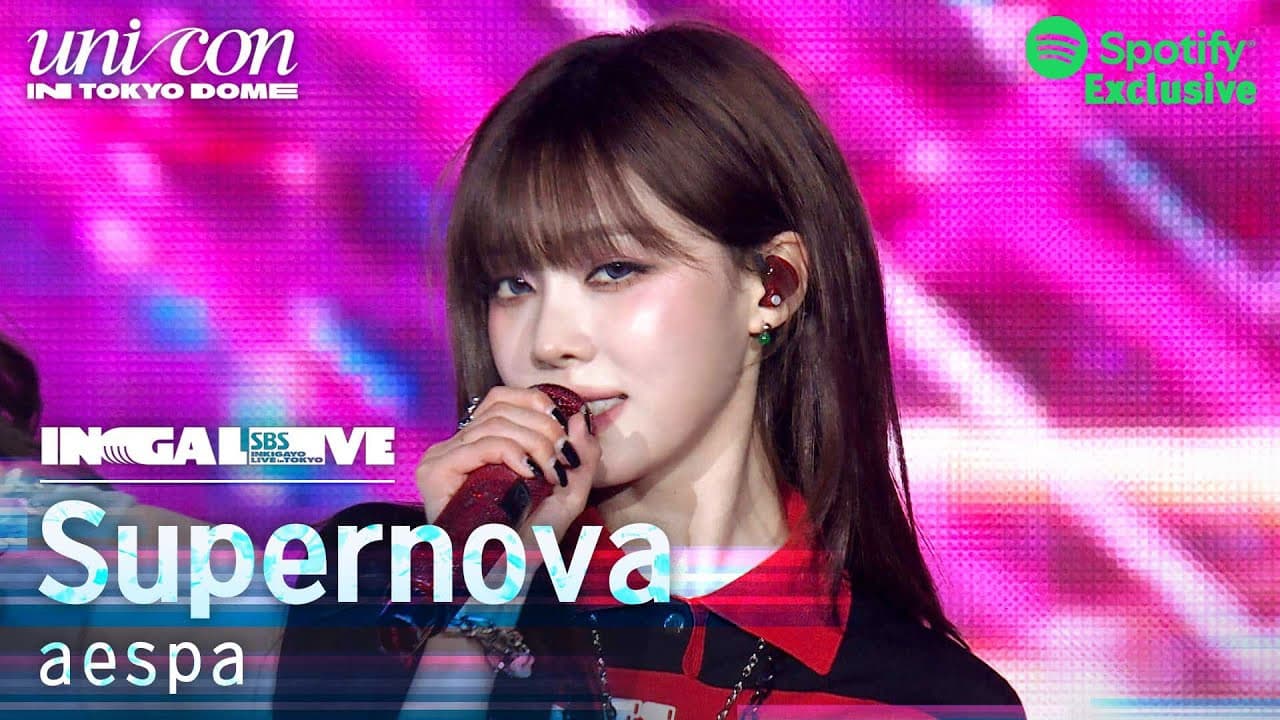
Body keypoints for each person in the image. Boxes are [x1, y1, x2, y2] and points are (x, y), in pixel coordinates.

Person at [276, 20, 1025, 720]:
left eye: (614, 270)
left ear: (772, 286)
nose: (549, 342)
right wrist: (481, 594)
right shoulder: (370, 583)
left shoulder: (927, 699)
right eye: (513, 284)